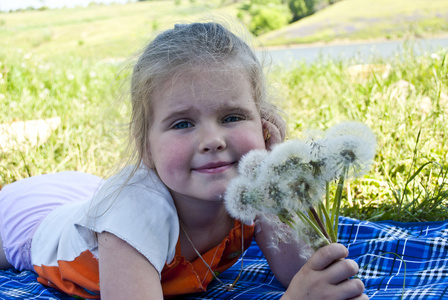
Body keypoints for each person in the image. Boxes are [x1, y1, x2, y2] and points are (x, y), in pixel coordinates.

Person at [0, 22, 367, 300]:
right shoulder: (134, 215)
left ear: (265, 123)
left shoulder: (252, 192)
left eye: (233, 117)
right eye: (183, 123)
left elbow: (302, 272)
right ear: (146, 146)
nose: (212, 140)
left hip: (86, 194)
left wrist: (275, 172)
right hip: (31, 218)